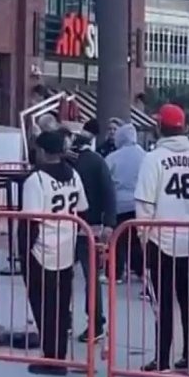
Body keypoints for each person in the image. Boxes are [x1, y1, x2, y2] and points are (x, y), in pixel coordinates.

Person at [135, 104, 189, 374]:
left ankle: (162, 358)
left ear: (160, 127)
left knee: (163, 303)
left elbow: (144, 204)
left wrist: (143, 238)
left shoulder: (153, 159)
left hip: (161, 240)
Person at [18, 130, 87, 376]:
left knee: (43, 306)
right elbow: (82, 208)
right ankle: (59, 355)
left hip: (41, 250)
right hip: (66, 249)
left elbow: (30, 221)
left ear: (43, 151)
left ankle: (51, 358)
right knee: (61, 307)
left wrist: (23, 253)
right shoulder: (73, 175)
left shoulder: (36, 180)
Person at [66, 124, 116, 343]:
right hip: (91, 226)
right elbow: (108, 192)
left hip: (66, 226)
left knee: (62, 275)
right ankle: (95, 323)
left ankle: (63, 319)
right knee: (91, 278)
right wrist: (110, 223)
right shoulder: (97, 162)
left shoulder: (65, 163)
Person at [106, 121, 146, 283]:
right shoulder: (145, 156)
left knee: (118, 241)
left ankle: (115, 273)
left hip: (119, 204)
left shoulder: (113, 157)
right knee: (137, 241)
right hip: (140, 204)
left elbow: (106, 179)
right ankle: (141, 270)